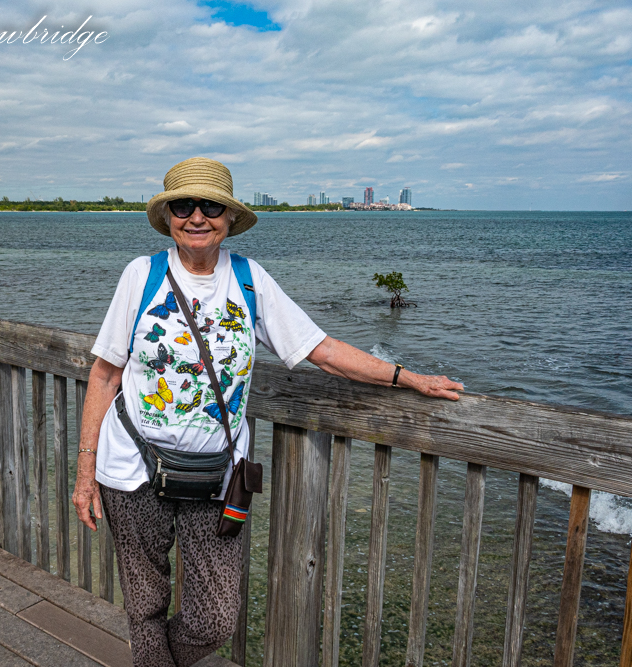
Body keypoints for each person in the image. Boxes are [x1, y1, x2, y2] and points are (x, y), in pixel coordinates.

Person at [72, 157, 462, 667]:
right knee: (145, 604)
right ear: (168, 216)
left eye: (211, 206)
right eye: (183, 206)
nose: (197, 217)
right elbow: (105, 375)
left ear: (230, 217)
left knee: (214, 618)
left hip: (217, 476)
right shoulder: (141, 276)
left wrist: (406, 377)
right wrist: (85, 473)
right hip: (132, 469)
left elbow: (322, 350)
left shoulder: (249, 280)